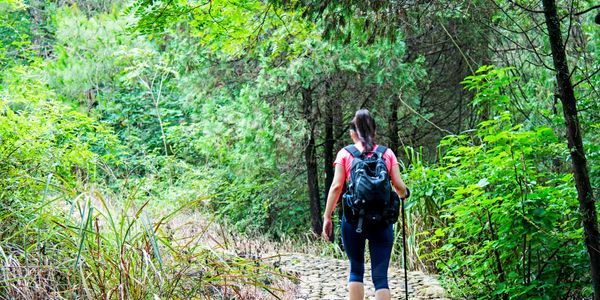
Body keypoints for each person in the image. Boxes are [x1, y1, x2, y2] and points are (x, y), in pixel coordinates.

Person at [322, 109, 409, 300]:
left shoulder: (345, 154)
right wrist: (405, 193)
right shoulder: (387, 154)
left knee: (356, 271)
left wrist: (327, 217)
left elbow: (336, 187)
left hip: (354, 221)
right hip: (382, 222)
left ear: (353, 133)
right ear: (374, 131)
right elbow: (399, 186)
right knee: (380, 277)